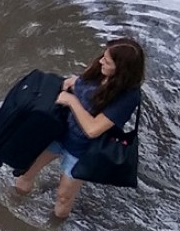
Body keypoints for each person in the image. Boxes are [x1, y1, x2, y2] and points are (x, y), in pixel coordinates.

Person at [13, 37, 145, 218]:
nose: (100, 62)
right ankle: (12, 207)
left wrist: (72, 101)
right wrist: (75, 83)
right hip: (58, 132)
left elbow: (93, 130)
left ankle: (55, 227)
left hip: (82, 150)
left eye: (107, 61)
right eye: (103, 57)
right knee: (25, 172)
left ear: (121, 70)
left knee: (63, 198)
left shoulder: (128, 97)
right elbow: (86, 84)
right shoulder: (99, 70)